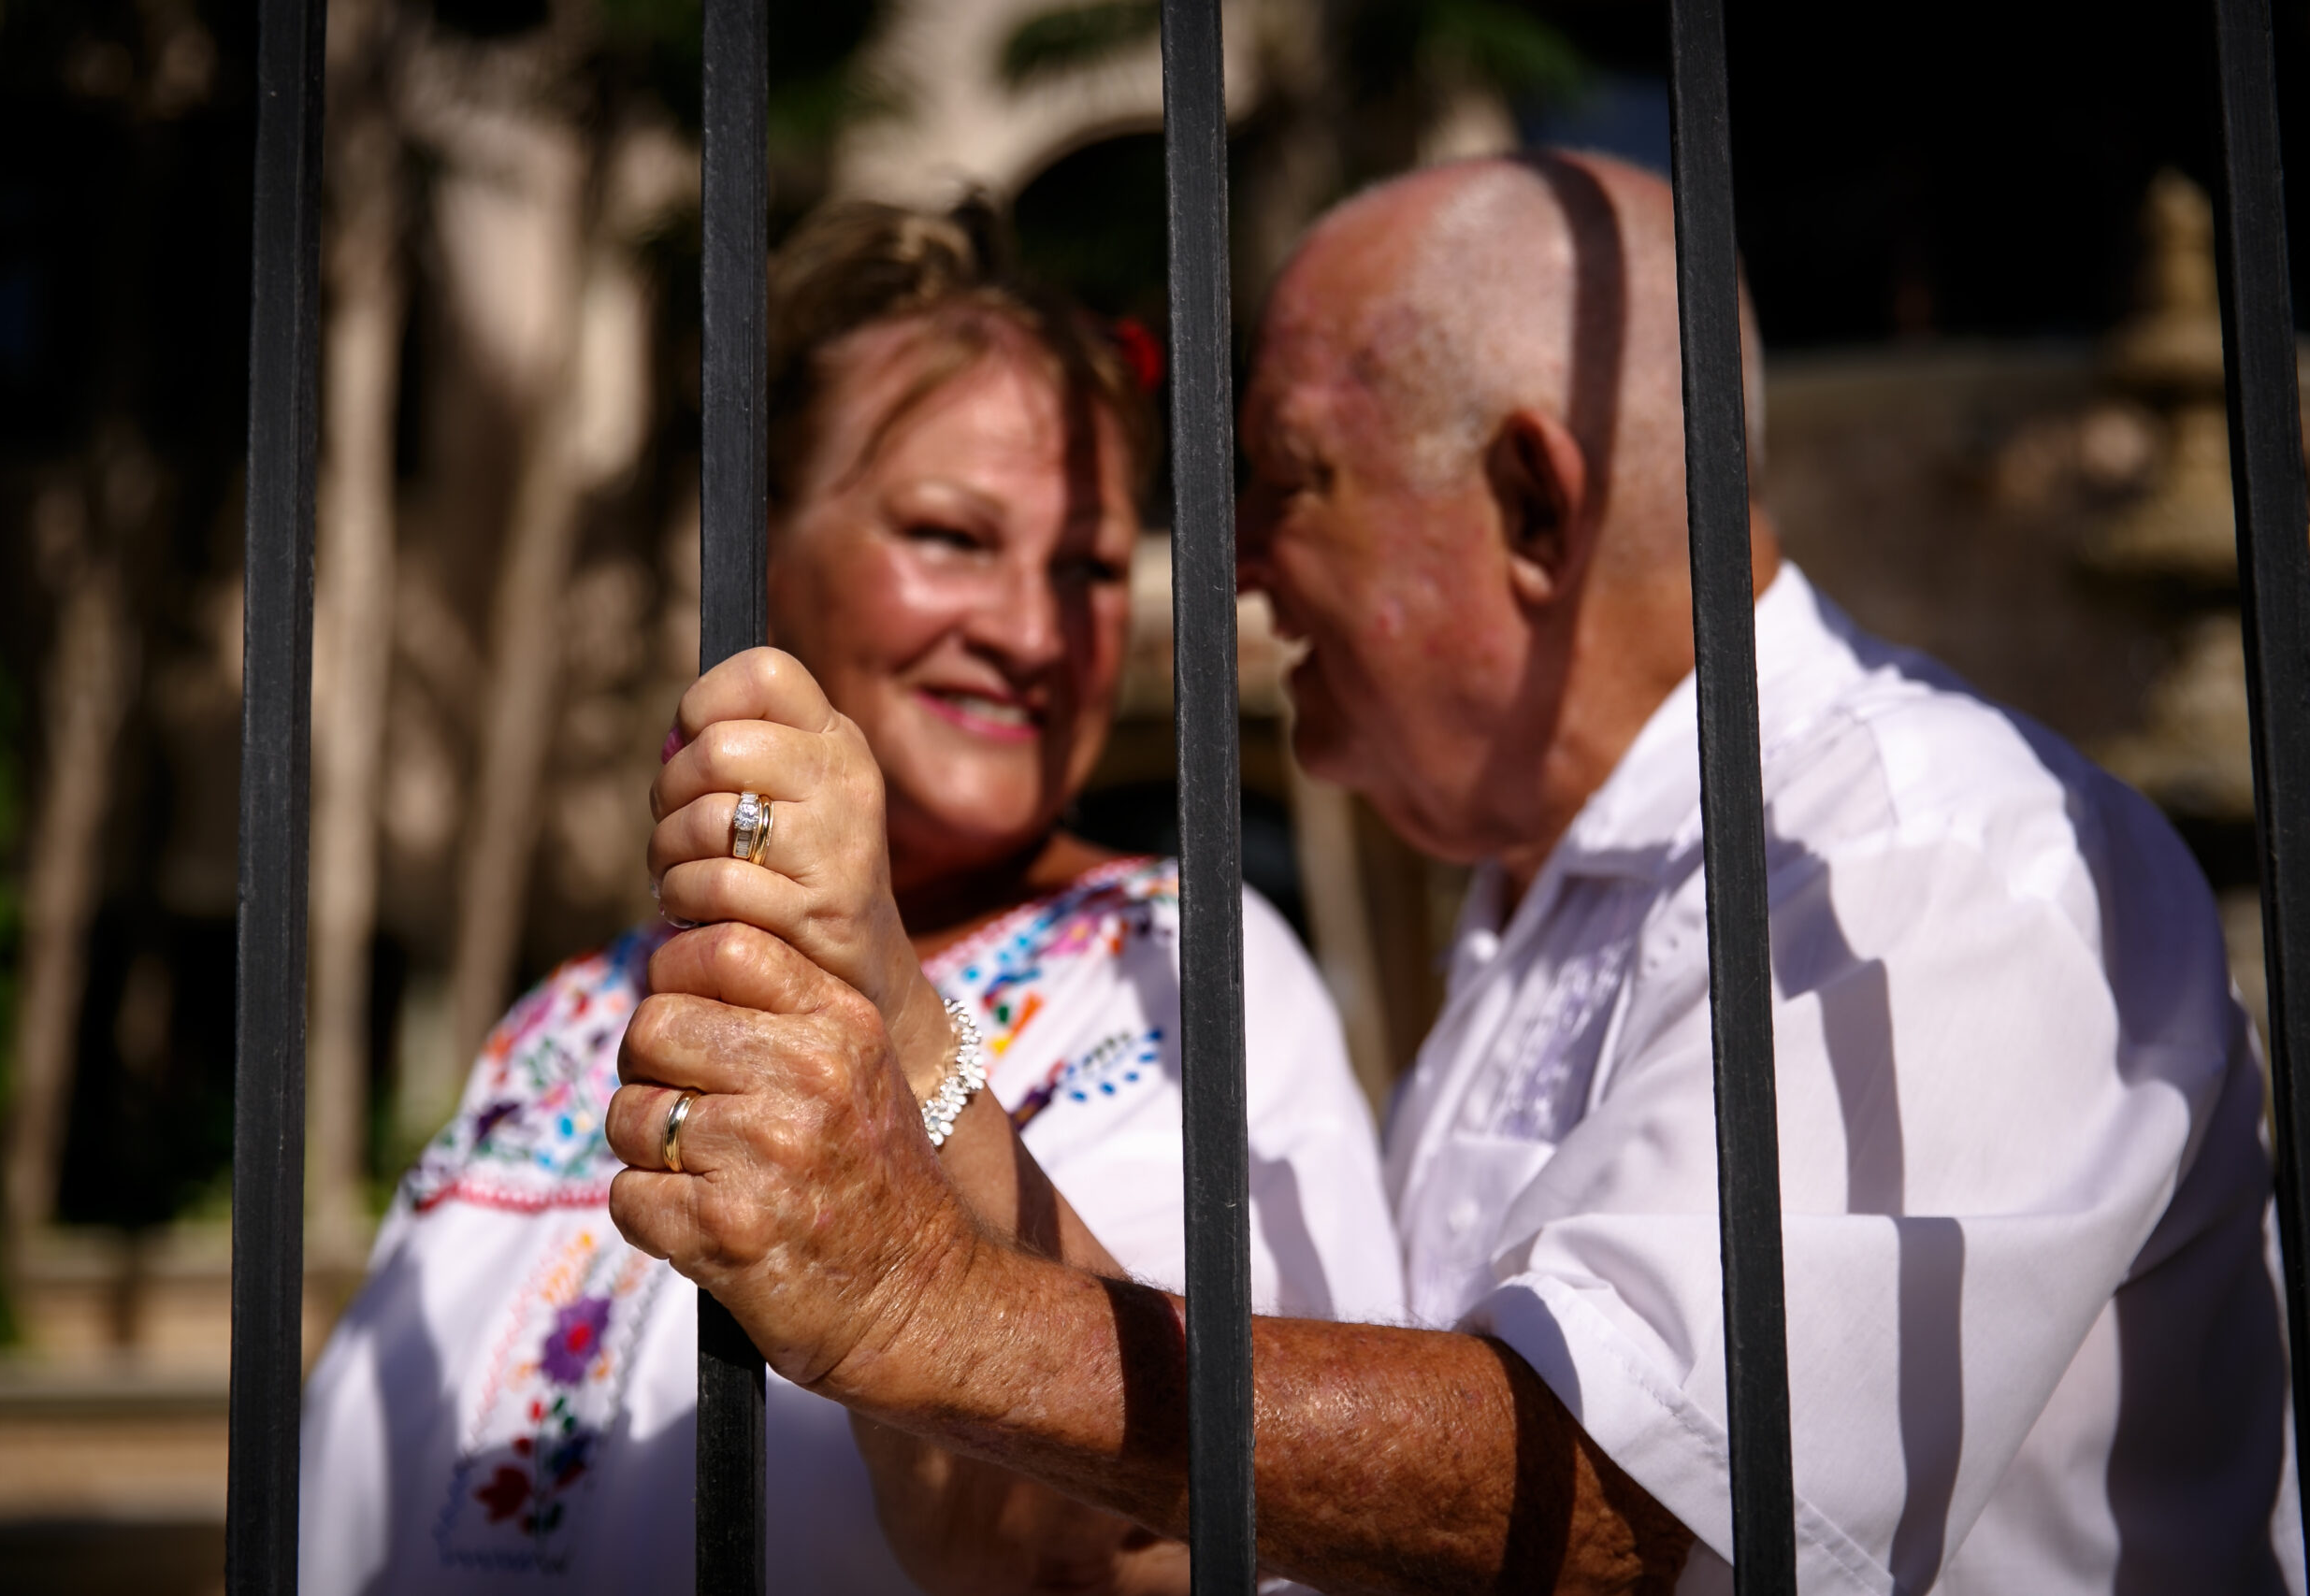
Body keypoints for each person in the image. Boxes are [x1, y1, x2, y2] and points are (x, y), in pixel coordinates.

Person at [604, 151, 2299, 1595]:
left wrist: (926, 1314)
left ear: (1532, 506)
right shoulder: (1543, 899)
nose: (1238, 569)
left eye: (1286, 482)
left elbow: (1622, 1498)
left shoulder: (1925, 861)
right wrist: (908, 1028)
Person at [296, 200, 1404, 1596]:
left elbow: (1140, 1534)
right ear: (757, 547)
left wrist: (891, 1005)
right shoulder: (564, 1017)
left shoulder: (1180, 974)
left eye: (1086, 567)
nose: (1025, 630)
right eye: (950, 535)